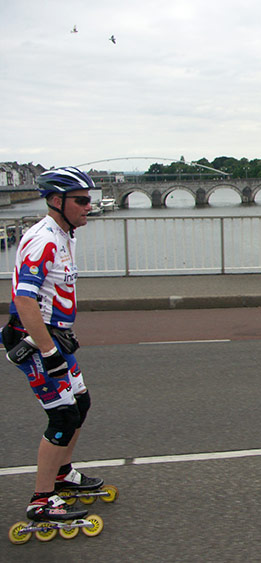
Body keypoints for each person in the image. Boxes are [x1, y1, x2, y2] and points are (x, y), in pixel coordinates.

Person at [3, 167, 102, 522]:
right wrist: (48, 352)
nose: (89, 206)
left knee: (81, 402)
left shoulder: (65, 233)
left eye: (90, 200)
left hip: (55, 338)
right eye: (82, 200)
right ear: (56, 202)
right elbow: (25, 300)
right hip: (35, 340)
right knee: (62, 415)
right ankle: (41, 500)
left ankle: (62, 474)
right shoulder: (44, 239)